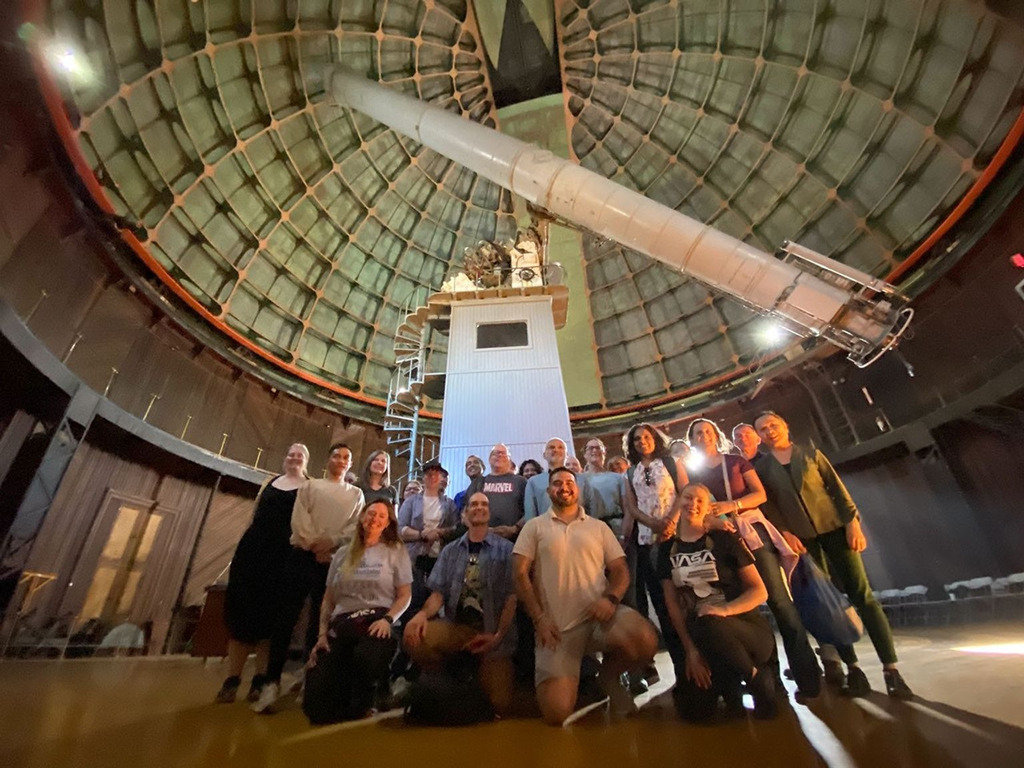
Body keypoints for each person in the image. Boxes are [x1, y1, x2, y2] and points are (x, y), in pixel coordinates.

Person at [753, 411, 913, 699]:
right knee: (827, 602)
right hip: (803, 541)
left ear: (785, 425)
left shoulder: (811, 454)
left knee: (861, 595)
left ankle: (891, 670)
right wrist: (785, 532)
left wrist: (853, 524)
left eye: (773, 425)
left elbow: (838, 491)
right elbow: (770, 507)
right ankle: (853, 669)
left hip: (836, 530)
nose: (769, 431)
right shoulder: (763, 468)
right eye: (763, 429)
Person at [686, 418, 821, 700]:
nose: (703, 436)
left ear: (716, 435)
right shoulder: (691, 472)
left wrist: (731, 505)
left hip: (750, 532)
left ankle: (807, 676)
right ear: (692, 440)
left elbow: (758, 494)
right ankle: (771, 681)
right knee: (747, 611)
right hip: (723, 542)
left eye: (708, 431)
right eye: (698, 433)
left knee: (780, 602)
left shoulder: (735, 461)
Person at [513, 467, 657, 725]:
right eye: (557, 483)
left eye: (570, 482)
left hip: (599, 619)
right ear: (548, 491)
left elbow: (620, 571)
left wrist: (611, 599)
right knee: (557, 714)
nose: (564, 487)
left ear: (578, 489)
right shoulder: (534, 527)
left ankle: (608, 677)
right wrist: (539, 619)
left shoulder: (598, 527)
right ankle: (572, 676)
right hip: (557, 629)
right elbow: (520, 575)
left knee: (645, 638)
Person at [255, 442, 365, 713]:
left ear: (350, 464)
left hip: (333, 560)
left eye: (346, 458)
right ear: (327, 460)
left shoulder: (356, 494)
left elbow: (354, 527)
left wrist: (331, 544)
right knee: (286, 617)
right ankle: (271, 682)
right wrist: (314, 544)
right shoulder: (309, 487)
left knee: (320, 619)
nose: (341, 460)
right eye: (337, 456)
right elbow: (299, 519)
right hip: (302, 556)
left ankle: (309, 678)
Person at [659, 484, 778, 721]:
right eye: (688, 498)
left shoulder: (724, 539)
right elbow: (672, 605)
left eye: (700, 501)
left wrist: (723, 611)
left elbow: (760, 591)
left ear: (708, 507)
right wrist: (691, 652)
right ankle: (728, 685)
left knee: (708, 617)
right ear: (678, 501)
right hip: (702, 637)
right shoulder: (666, 550)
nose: (693, 504)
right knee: (696, 712)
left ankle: (755, 678)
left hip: (745, 631)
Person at [403, 492, 518, 715]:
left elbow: (511, 598)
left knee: (499, 705)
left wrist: (497, 637)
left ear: (489, 513)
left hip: (494, 635)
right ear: (464, 515)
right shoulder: (450, 550)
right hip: (457, 629)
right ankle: (447, 673)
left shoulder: (506, 550)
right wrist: (421, 615)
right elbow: (438, 594)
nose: (479, 507)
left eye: (484, 504)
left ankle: (473, 677)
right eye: (473, 504)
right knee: (413, 635)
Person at [303, 500, 412, 724]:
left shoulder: (395, 551)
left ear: (387, 523)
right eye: (371, 514)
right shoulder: (342, 554)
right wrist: (321, 635)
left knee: (367, 657)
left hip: (376, 622)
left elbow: (405, 595)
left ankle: (373, 692)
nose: (375, 519)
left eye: (382, 516)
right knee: (315, 707)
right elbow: (328, 599)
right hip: (342, 625)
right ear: (362, 518)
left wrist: (388, 619)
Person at [216, 444, 309, 704]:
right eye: (290, 453)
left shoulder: (309, 487)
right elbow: (254, 514)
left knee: (271, 617)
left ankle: (259, 678)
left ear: (306, 461)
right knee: (242, 614)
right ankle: (232, 679)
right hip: (253, 552)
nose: (294, 457)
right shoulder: (270, 482)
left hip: (284, 555)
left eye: (299, 455)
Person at [622, 423, 688, 677]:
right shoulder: (630, 473)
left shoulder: (671, 463)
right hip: (648, 542)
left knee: (685, 599)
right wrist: (653, 524)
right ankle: (681, 668)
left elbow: (685, 492)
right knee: (662, 605)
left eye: (646, 437)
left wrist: (670, 521)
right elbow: (633, 507)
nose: (642, 442)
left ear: (654, 439)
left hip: (677, 537)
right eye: (637, 439)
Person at [398, 460, 459, 613]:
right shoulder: (411, 501)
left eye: (436, 474)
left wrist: (439, 533)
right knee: (413, 597)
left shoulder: (449, 504)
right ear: (423, 478)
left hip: (439, 556)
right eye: (428, 474)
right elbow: (400, 528)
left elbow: (455, 527)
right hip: (414, 556)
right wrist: (422, 534)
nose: (432, 477)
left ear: (441, 478)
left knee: (435, 597)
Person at [466, 444, 527, 539]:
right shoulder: (478, 483)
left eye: (503, 453)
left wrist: (515, 528)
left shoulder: (521, 482)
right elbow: (464, 512)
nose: (499, 455)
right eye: (496, 453)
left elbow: (531, 510)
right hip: (483, 539)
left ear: (509, 460)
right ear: (490, 459)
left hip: (515, 539)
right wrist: (481, 529)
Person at [523, 438, 567, 521]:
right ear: (544, 455)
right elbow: (530, 515)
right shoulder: (533, 482)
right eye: (551, 447)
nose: (556, 450)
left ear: (566, 454)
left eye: (560, 447)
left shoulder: (582, 480)